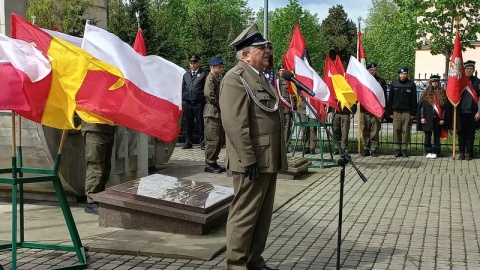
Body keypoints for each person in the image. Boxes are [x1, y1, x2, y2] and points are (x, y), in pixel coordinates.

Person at [219, 23, 288, 270]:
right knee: (244, 216)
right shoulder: (235, 78)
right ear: (245, 54)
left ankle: (254, 261)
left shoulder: (258, 76)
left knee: (262, 216)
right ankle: (236, 265)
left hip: (267, 158)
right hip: (252, 160)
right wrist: (248, 160)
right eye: (261, 48)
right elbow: (235, 123)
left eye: (266, 47)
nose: (266, 51)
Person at [83, 123, 115, 215]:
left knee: (106, 167)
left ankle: (99, 197)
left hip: (108, 128)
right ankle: (92, 201)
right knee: (96, 166)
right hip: (94, 128)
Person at [387, 67, 417, 157]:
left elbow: (414, 100)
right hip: (396, 111)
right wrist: (390, 112)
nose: (403, 76)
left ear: (407, 74)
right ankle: (397, 149)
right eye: (401, 74)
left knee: (406, 130)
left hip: (407, 112)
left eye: (405, 74)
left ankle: (404, 149)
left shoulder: (411, 84)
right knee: (396, 130)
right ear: (399, 74)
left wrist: (413, 113)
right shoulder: (394, 84)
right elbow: (390, 99)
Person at [417, 75, 447, 159]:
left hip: (438, 118)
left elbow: (445, 108)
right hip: (427, 118)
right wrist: (422, 117)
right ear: (431, 83)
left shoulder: (442, 93)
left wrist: (443, 118)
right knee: (427, 135)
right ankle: (428, 150)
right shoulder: (426, 93)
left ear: (438, 82)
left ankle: (436, 151)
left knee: (437, 136)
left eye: (436, 81)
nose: (435, 83)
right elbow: (422, 106)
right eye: (433, 82)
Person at [203, 57, 225, 173]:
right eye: (219, 67)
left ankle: (214, 162)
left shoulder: (217, 78)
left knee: (219, 139)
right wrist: (218, 103)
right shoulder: (210, 78)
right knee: (213, 140)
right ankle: (209, 164)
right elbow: (209, 94)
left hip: (217, 112)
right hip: (212, 112)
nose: (221, 69)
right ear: (213, 67)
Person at [360, 62, 387, 157]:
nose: (372, 72)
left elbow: (383, 96)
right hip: (365, 109)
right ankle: (366, 147)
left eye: (374, 70)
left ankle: (374, 148)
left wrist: (383, 109)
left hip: (376, 110)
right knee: (365, 129)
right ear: (367, 70)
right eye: (370, 70)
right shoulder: (363, 80)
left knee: (375, 130)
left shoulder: (381, 81)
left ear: (376, 70)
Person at [455, 60, 480, 160]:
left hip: (472, 113)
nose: (469, 70)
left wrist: (479, 112)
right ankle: (461, 152)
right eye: (467, 68)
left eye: (471, 69)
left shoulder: (477, 82)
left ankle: (469, 152)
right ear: (464, 69)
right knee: (461, 134)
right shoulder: (459, 81)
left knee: (470, 134)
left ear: (474, 70)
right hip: (460, 112)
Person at [182, 54, 207, 150]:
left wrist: (202, 98)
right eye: (191, 63)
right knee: (189, 123)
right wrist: (185, 97)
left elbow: (205, 88)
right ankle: (188, 143)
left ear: (198, 63)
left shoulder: (203, 74)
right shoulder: (186, 75)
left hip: (199, 103)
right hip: (189, 103)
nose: (193, 65)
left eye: (195, 63)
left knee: (200, 123)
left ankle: (203, 143)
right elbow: (183, 88)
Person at [277, 64, 292, 146]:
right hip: (279, 108)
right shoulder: (276, 82)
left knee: (287, 126)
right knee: (279, 126)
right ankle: (279, 144)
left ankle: (286, 145)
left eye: (283, 70)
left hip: (287, 107)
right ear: (278, 72)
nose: (282, 72)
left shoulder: (289, 81)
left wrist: (293, 106)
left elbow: (291, 94)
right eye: (280, 70)